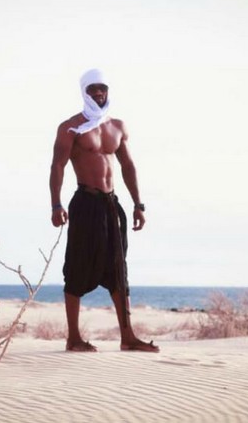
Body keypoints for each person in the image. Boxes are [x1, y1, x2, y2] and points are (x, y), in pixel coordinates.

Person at [49, 68, 159, 353]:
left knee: (118, 269)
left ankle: (128, 337)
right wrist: (56, 204)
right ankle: (73, 338)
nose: (98, 93)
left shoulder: (117, 127)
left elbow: (128, 166)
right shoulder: (71, 127)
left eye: (102, 88)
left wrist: (138, 205)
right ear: (84, 92)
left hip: (112, 206)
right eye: (92, 89)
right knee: (76, 266)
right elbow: (58, 166)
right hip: (85, 203)